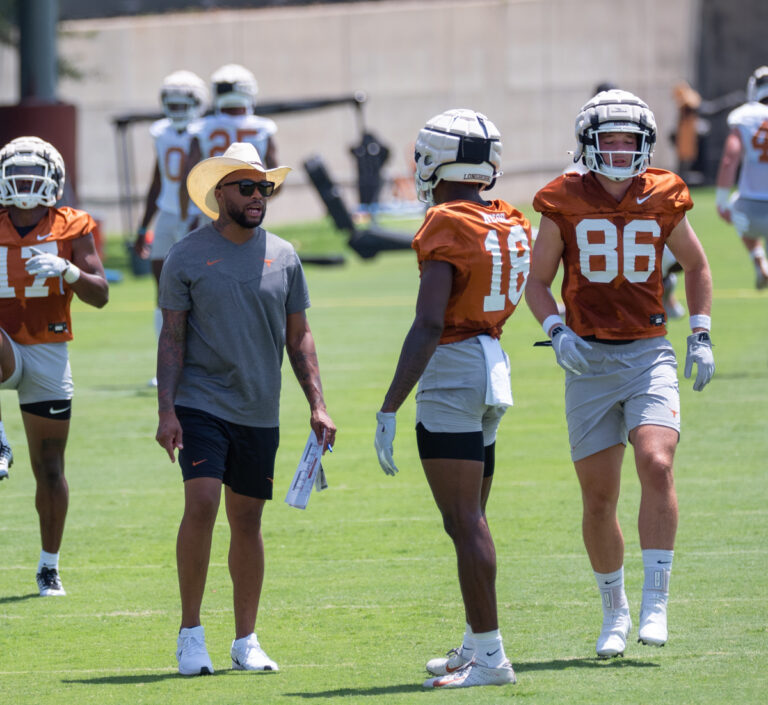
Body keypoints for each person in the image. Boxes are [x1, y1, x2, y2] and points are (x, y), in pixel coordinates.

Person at [525, 90, 714, 658]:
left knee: (657, 462)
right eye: (608, 138)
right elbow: (537, 282)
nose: (618, 148)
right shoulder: (561, 198)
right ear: (587, 142)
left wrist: (699, 331)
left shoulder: (663, 192)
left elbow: (698, 265)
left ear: (644, 144)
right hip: (587, 359)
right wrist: (556, 331)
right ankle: (615, 611)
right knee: (598, 497)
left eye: (629, 139)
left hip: (647, 353)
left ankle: (656, 602)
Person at [156, 141, 336, 676]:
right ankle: (191, 634)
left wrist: (318, 404)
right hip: (201, 403)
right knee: (203, 503)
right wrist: (167, 411)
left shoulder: (285, 256)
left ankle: (245, 640)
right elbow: (171, 340)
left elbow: (299, 338)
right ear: (220, 194)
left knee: (248, 519)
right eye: (247, 187)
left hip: (260, 407)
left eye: (265, 188)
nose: (259, 196)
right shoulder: (185, 256)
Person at [375, 109, 531, 689]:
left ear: (436, 158)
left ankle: (491, 657)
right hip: (493, 363)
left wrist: (389, 404)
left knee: (465, 522)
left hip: (455, 368)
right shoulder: (509, 217)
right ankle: (475, 642)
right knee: (472, 520)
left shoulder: (445, 221)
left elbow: (427, 324)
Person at [0, 136, 109, 595]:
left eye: (33, 174)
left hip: (47, 348)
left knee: (49, 467)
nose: (25, 184)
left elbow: (100, 294)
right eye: (16, 174)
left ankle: (49, 565)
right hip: (4, 345)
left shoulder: (72, 225)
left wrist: (68, 272)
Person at [134, 70, 208, 385]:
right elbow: (157, 179)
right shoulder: (160, 132)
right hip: (167, 214)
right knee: (162, 292)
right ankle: (165, 364)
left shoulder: (206, 131)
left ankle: (198, 364)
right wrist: (142, 227)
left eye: (184, 104)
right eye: (172, 104)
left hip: (197, 214)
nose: (177, 110)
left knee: (199, 290)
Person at [179, 64, 278, 223]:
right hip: (250, 203)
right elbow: (276, 179)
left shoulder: (202, 127)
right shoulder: (262, 127)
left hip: (214, 205)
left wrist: (184, 217)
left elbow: (186, 178)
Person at [715, 65, 768, 289]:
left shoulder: (744, 117)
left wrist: (721, 201)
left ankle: (758, 258)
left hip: (749, 211)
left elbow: (730, 158)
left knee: (736, 206)